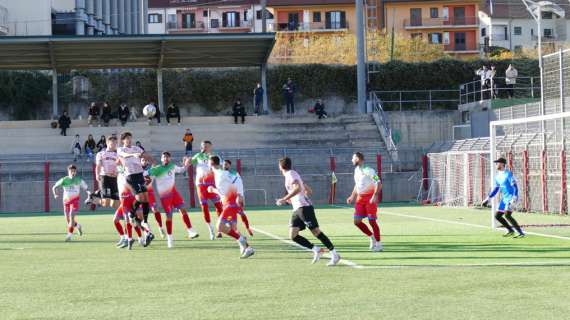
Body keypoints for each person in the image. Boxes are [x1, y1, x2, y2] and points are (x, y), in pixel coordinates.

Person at [276, 157, 340, 266]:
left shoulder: (290, 174)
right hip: (297, 208)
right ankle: (317, 249)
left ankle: (334, 254)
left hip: (304, 208)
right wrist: (292, 199)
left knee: (316, 232)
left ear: (281, 166)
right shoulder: (292, 174)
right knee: (293, 235)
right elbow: (307, 190)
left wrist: (284, 198)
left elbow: (297, 188)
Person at [147, 152, 199, 248]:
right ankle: (170, 239)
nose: (166, 158)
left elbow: (182, 169)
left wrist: (186, 164)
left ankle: (190, 230)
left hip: (174, 193)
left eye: (167, 157)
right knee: (169, 216)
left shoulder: (172, 166)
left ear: (170, 158)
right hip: (165, 196)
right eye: (164, 157)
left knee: (183, 209)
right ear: (161, 159)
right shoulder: (157, 169)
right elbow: (146, 173)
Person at [208, 155, 255, 258]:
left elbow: (224, 190)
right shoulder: (220, 174)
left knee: (219, 226)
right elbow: (237, 180)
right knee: (233, 229)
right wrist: (239, 194)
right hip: (228, 204)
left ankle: (242, 240)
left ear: (210, 164)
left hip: (230, 204)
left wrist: (212, 190)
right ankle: (247, 248)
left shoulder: (221, 174)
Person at [117, 132, 155, 249]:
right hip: (131, 176)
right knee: (139, 198)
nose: (129, 140)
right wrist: (134, 154)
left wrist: (152, 160)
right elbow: (125, 155)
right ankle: (132, 213)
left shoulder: (137, 148)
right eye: (126, 138)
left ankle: (145, 221)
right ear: (123, 140)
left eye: (130, 138)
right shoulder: (120, 149)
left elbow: (144, 154)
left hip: (139, 174)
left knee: (145, 197)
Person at [347, 152, 383, 252]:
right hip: (360, 199)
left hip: (370, 198)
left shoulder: (369, 170)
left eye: (353, 158)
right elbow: (357, 185)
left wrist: (375, 196)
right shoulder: (356, 170)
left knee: (372, 221)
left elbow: (378, 183)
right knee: (357, 222)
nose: (352, 160)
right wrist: (352, 196)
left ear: (358, 159)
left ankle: (379, 244)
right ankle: (372, 237)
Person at [482, 157, 525, 238]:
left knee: (507, 215)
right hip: (504, 199)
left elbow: (515, 186)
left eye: (498, 163)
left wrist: (514, 197)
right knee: (497, 216)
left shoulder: (508, 174)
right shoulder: (497, 176)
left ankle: (521, 233)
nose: (496, 164)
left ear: (502, 164)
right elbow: (496, 188)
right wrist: (488, 198)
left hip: (511, 197)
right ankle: (510, 230)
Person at [191, 140, 223, 240]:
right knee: (204, 207)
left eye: (207, 146)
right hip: (201, 184)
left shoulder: (215, 157)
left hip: (212, 184)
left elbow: (220, 167)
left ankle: (220, 229)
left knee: (219, 206)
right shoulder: (198, 156)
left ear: (211, 147)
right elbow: (189, 162)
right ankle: (210, 229)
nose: (205, 148)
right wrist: (188, 160)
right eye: (203, 146)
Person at [52, 164, 89, 242]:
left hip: (75, 201)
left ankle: (69, 235)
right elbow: (54, 187)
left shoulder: (79, 180)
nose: (73, 172)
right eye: (71, 171)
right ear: (68, 171)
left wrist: (89, 194)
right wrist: (55, 194)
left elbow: (86, 189)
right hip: (66, 201)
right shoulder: (64, 180)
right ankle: (78, 226)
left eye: (74, 171)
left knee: (71, 217)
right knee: (68, 220)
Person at [224, 159, 253, 236]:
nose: (224, 165)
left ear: (230, 165)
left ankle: (247, 228)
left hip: (236, 198)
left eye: (226, 164)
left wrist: (240, 195)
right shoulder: (221, 173)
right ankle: (234, 231)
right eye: (224, 164)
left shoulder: (235, 174)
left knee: (242, 214)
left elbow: (240, 184)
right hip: (226, 199)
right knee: (228, 215)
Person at [141, 157, 166, 239]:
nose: (144, 162)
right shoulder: (136, 171)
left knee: (155, 211)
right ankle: (148, 232)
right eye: (142, 160)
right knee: (142, 215)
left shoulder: (151, 170)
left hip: (150, 194)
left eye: (145, 160)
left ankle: (160, 228)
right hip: (141, 195)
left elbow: (156, 166)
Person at [92, 136, 120, 210]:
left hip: (114, 179)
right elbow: (98, 165)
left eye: (115, 143)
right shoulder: (101, 154)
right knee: (106, 203)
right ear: (107, 143)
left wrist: (117, 173)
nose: (114, 145)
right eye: (112, 143)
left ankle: (119, 219)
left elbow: (120, 167)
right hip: (104, 177)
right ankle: (93, 198)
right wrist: (97, 174)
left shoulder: (118, 155)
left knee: (116, 204)